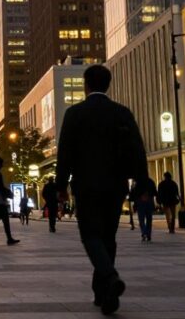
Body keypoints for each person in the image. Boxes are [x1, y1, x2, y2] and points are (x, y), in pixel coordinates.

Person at [56, 64, 148, 316]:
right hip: (116, 184)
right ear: (108, 84)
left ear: (86, 85)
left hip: (86, 184)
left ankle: (109, 276)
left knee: (90, 235)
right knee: (108, 236)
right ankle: (103, 293)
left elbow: (64, 152)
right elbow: (137, 149)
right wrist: (142, 181)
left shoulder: (75, 114)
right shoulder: (121, 113)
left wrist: (60, 186)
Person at [131, 176, 157, 242]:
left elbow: (134, 193)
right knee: (149, 219)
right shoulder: (151, 181)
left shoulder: (138, 183)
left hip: (140, 202)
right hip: (149, 201)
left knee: (141, 219)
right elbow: (155, 192)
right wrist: (148, 195)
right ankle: (148, 234)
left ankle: (144, 232)